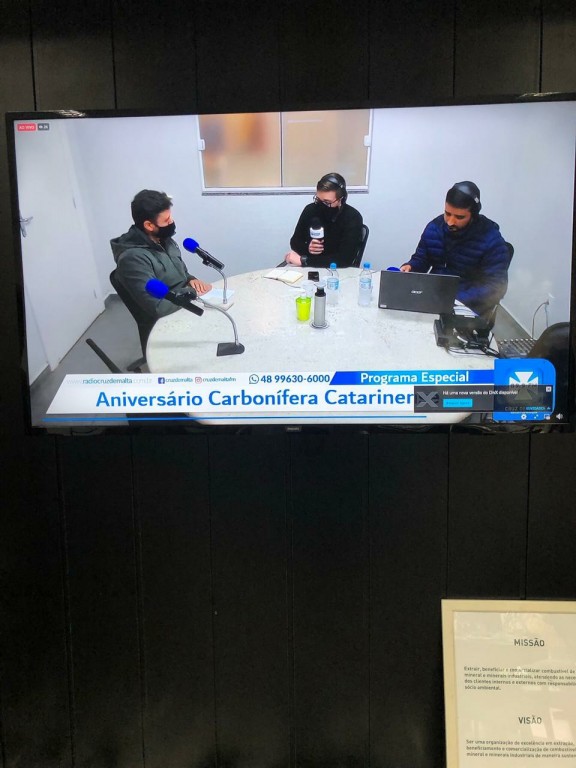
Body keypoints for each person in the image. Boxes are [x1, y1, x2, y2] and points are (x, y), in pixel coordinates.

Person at [400, 181, 510, 316]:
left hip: (466, 305)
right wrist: (411, 267)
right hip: (433, 296)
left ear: (474, 215)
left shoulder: (491, 241)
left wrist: (456, 298)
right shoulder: (435, 227)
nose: (450, 222)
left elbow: (496, 287)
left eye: (459, 217)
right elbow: (421, 258)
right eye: (447, 213)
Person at [111, 189, 212, 319]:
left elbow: (182, 273)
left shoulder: (164, 240)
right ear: (149, 225)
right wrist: (191, 292)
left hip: (185, 303)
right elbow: (158, 307)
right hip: (167, 317)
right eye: (167, 220)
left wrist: (191, 280)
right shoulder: (131, 259)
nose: (172, 222)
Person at [284, 173, 363, 269]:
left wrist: (304, 261)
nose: (321, 205)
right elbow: (295, 241)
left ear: (341, 200)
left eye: (327, 202)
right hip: (309, 267)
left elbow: (344, 259)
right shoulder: (310, 210)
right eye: (318, 200)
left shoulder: (352, 217)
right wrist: (308, 248)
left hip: (337, 270)